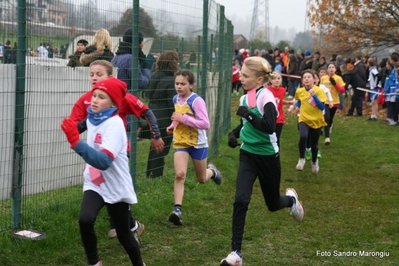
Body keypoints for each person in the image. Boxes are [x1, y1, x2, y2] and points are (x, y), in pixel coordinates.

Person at [220, 57, 304, 266]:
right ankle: (236, 253)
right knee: (241, 199)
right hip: (247, 153)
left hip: (267, 157)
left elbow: (268, 126)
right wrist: (234, 133)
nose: (240, 78)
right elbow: (245, 124)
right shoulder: (243, 98)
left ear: (259, 79)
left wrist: (247, 115)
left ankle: (291, 201)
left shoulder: (266, 97)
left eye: (245, 76)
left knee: (273, 204)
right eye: (241, 74)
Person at [70, 60, 164, 239]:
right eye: (92, 75)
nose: (95, 78)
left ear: (110, 77)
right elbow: (74, 125)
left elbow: (146, 112)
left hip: (119, 152)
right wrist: (72, 132)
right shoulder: (86, 100)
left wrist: (156, 135)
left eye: (99, 74)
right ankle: (127, 225)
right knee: (100, 186)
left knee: (116, 188)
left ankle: (125, 226)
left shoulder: (122, 97)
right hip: (97, 154)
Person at [60, 77, 146, 266]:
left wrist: (76, 143)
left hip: (115, 185)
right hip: (95, 182)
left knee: (124, 235)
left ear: (113, 103)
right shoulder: (92, 117)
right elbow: (83, 130)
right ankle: (94, 263)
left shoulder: (115, 125)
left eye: (101, 97)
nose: (94, 100)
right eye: (94, 95)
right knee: (85, 219)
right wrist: (71, 130)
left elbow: (104, 161)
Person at [165, 70, 222, 226]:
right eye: (177, 83)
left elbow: (205, 124)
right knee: (180, 174)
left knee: (201, 178)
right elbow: (178, 116)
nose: (179, 87)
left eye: (183, 84)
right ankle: (177, 210)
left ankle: (213, 172)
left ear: (191, 85)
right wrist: (172, 125)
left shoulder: (196, 101)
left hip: (198, 144)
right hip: (181, 142)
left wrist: (182, 118)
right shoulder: (175, 98)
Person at [143, 50, 179, 178]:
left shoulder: (153, 75)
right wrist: (175, 119)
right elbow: (172, 102)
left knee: (154, 146)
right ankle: (156, 175)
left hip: (152, 114)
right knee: (162, 148)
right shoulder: (170, 80)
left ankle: (150, 173)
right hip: (164, 118)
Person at [294, 70, 328, 174]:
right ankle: (301, 159)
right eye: (304, 78)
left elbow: (322, 107)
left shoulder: (319, 91)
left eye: (309, 77)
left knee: (314, 145)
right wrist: (297, 107)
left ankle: (314, 161)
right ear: (302, 81)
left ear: (314, 80)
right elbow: (299, 100)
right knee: (303, 136)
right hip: (303, 119)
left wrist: (314, 96)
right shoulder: (299, 91)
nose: (307, 79)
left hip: (316, 121)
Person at [111, 28, 154, 92]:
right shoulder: (131, 59)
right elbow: (140, 83)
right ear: (138, 43)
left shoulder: (115, 57)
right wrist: (147, 68)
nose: (143, 44)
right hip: (128, 97)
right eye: (141, 41)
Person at [265, 70, 293, 147]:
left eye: (278, 78)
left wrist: (287, 102)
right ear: (270, 80)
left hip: (279, 117)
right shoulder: (267, 90)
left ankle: (276, 155)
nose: (277, 80)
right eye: (274, 79)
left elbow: (279, 101)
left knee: (277, 138)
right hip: (270, 116)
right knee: (270, 137)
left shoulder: (282, 90)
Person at [320, 63, 345, 145]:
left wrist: (335, 84)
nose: (331, 69)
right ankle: (327, 138)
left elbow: (342, 90)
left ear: (335, 69)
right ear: (327, 70)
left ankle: (329, 126)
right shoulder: (323, 78)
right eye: (329, 67)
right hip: (325, 101)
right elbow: (320, 89)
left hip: (334, 101)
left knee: (330, 119)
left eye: (332, 67)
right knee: (326, 117)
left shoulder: (338, 78)